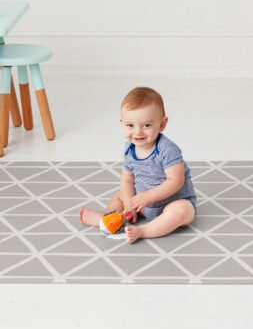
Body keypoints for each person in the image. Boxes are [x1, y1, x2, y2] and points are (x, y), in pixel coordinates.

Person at [79, 86, 196, 243]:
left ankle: (144, 231)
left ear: (162, 124)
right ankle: (108, 217)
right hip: (141, 204)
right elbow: (127, 180)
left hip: (169, 203)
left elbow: (176, 181)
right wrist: (129, 205)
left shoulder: (168, 149)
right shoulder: (129, 150)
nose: (138, 132)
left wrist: (148, 197)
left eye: (146, 125)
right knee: (121, 194)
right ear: (122, 123)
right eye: (130, 125)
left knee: (183, 210)